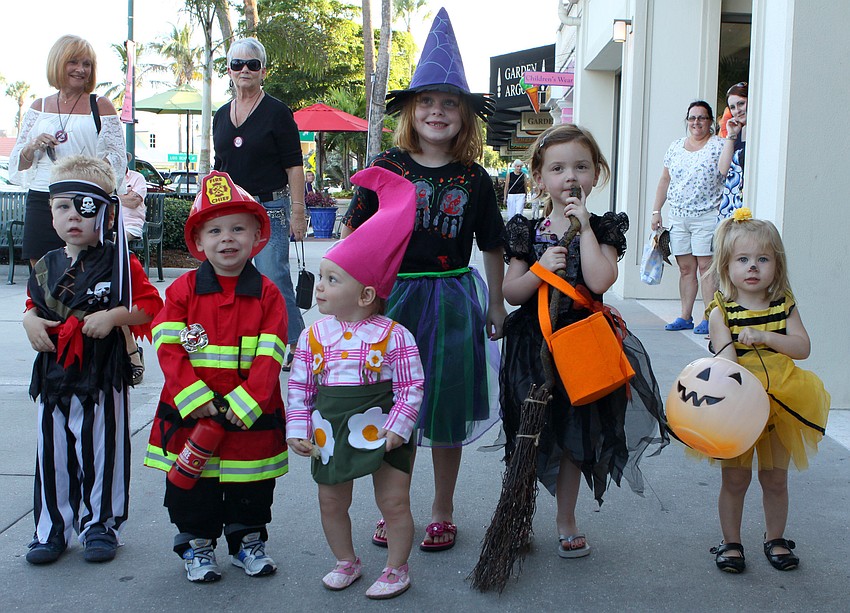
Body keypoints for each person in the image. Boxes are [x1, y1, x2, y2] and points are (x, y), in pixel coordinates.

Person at [342, 8, 507, 553]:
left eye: (450, 103)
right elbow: (357, 240)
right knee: (393, 404)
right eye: (427, 102)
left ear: (465, 116)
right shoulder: (387, 164)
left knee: (445, 405)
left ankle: (441, 508)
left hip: (457, 299)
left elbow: (491, 244)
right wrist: (353, 302)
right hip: (393, 301)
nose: (437, 111)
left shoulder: (475, 178)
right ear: (412, 111)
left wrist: (497, 305)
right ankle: (395, 508)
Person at [500, 124, 666, 558]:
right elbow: (511, 292)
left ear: (597, 175)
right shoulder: (526, 230)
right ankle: (518, 515)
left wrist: (585, 229)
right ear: (539, 178)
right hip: (532, 349)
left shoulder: (605, 227)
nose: (569, 176)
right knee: (528, 434)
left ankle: (566, 518)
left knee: (574, 436)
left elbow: (599, 279)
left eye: (580, 167)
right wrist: (539, 268)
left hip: (581, 344)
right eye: (557, 168)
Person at [143, 171, 289, 583]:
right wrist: (192, 395)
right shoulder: (183, 290)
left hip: (249, 415)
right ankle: (197, 546)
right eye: (215, 230)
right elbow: (168, 345)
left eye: (238, 228)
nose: (227, 238)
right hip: (191, 414)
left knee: (252, 487)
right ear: (199, 241)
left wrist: (247, 403)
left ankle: (248, 543)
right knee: (192, 488)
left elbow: (271, 352)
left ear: (257, 234)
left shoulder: (268, 293)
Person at [287, 167, 424, 599]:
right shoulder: (313, 335)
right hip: (329, 430)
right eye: (322, 277)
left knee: (394, 501)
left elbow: (410, 387)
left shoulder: (395, 335)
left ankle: (396, 568)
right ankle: (346, 560)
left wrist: (398, 429)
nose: (321, 288)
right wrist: (298, 428)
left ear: (366, 294)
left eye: (332, 279)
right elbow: (300, 388)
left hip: (382, 429)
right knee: (331, 500)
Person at [22, 155, 162, 565]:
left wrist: (115, 316)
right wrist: (29, 320)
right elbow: (36, 305)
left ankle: (101, 523)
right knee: (53, 453)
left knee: (104, 450)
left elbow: (150, 308)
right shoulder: (47, 265)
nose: (73, 217)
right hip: (53, 374)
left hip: (103, 373)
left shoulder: (121, 263)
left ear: (105, 212)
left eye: (84, 208)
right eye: (62, 207)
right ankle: (50, 528)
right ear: (51, 213)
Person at [704, 209, 829, 574]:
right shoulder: (721, 311)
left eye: (762, 259)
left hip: (782, 402)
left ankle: (775, 537)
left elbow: (802, 347)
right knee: (736, 478)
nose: (753, 267)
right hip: (739, 405)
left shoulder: (783, 305)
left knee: (775, 478)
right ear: (727, 267)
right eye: (743, 259)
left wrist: (766, 337)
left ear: (777, 264)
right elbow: (726, 362)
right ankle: (731, 542)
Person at [212, 37, 306, 371]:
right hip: (233, 212)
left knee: (274, 277)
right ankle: (249, 343)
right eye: (238, 64)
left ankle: (297, 344)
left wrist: (299, 210)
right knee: (235, 280)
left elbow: (294, 165)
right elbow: (219, 165)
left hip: (271, 209)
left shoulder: (278, 113)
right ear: (229, 70)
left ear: (263, 70)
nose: (245, 70)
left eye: (252, 64)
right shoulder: (221, 115)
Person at [9, 35, 126, 267]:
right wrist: (33, 146)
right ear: (58, 63)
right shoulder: (38, 107)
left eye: (87, 64)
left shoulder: (100, 105)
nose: (81, 70)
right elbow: (19, 163)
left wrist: (97, 168)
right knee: (41, 270)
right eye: (73, 62)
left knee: (86, 268)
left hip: (84, 197)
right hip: (42, 196)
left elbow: (118, 158)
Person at [651, 100, 725, 335]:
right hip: (678, 217)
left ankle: (708, 317)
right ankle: (685, 316)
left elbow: (725, 172)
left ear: (710, 122)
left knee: (706, 267)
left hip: (706, 215)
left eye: (701, 118)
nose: (696, 122)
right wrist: (656, 211)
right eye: (692, 118)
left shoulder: (718, 145)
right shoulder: (675, 147)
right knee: (685, 268)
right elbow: (665, 180)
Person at [118, 152, 147, 385]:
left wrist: (113, 196)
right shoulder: (103, 176)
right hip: (105, 226)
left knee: (115, 244)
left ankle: (131, 352)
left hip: (129, 226)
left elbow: (134, 201)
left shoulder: (136, 177)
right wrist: (121, 196)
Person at [717, 82, 748, 220]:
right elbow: (723, 170)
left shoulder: (761, 131)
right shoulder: (737, 132)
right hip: (734, 202)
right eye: (733, 107)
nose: (738, 110)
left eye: (741, 103)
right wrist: (731, 135)